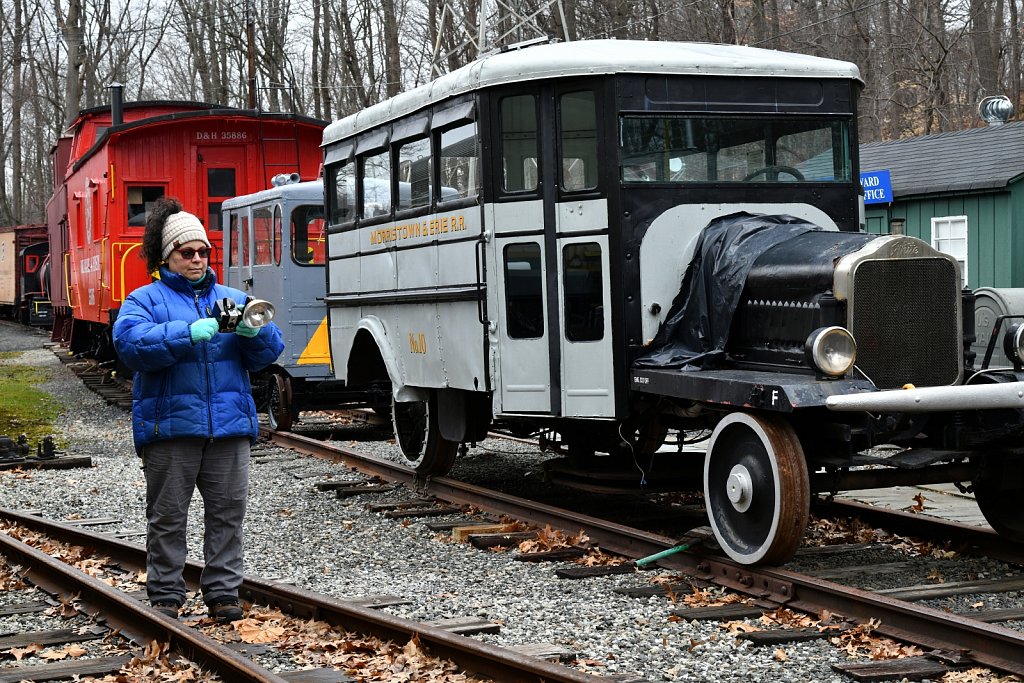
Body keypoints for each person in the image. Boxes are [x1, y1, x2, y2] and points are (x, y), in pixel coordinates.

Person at [112, 198, 284, 623]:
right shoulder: (143, 300)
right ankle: (166, 594)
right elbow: (131, 346)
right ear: (167, 256)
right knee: (168, 516)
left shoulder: (232, 298)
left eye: (203, 251)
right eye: (186, 252)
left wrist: (251, 332)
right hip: (171, 428)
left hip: (227, 427)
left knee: (228, 516)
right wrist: (184, 333)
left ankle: (224, 593)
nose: (196, 258)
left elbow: (269, 352)